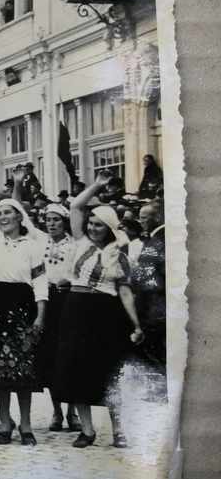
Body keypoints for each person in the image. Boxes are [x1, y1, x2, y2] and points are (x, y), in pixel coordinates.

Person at [53, 172, 144, 449]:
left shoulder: (119, 253)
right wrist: (98, 185)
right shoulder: (80, 241)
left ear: (109, 228)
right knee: (76, 368)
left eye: (99, 225)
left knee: (108, 370)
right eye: (91, 223)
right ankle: (88, 430)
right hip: (75, 309)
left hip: (104, 312)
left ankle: (118, 430)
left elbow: (125, 291)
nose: (92, 228)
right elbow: (75, 206)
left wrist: (136, 324)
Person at [0, 149, 48, 446]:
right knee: (0, 371)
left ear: (19, 216)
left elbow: (40, 282)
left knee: (23, 370)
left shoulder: (32, 245)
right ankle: (5, 423)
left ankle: (26, 425)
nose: (3, 216)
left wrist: (41, 315)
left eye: (8, 212)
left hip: (22, 305)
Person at [38, 202, 80, 432]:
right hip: (46, 299)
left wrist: (69, 281)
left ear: (64, 222)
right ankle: (56, 411)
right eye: (48, 220)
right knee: (51, 357)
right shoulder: (39, 242)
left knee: (68, 355)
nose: (51, 224)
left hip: (67, 300)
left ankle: (72, 411)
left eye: (56, 220)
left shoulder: (74, 245)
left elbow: (79, 271)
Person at [129, 200, 166, 390]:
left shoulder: (160, 240)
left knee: (156, 358)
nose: (140, 221)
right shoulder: (156, 238)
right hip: (154, 308)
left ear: (157, 217)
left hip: (155, 309)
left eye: (144, 217)